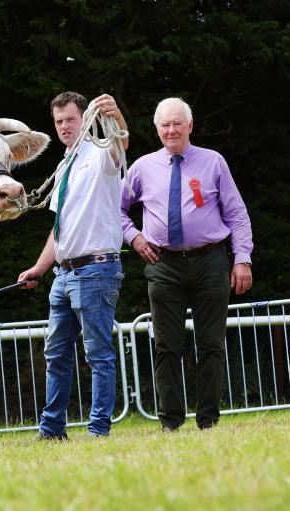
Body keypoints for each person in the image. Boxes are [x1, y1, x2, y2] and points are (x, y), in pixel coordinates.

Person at [121, 97, 253, 431]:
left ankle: (208, 420)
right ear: (157, 129)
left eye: (177, 123)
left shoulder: (214, 162)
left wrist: (242, 259)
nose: (171, 130)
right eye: (165, 125)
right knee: (167, 345)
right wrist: (135, 238)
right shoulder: (142, 167)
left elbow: (237, 214)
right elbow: (115, 208)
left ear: (190, 126)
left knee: (211, 343)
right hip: (163, 264)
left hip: (210, 260)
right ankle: (170, 421)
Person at [18, 91, 129, 439]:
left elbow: (120, 145)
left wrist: (116, 117)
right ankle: (51, 430)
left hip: (96, 269)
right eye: (58, 121)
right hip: (63, 274)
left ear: (85, 119)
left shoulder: (101, 154)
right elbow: (60, 228)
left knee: (98, 354)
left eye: (70, 119)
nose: (64, 126)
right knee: (56, 354)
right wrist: (39, 267)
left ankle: (98, 430)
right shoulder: (65, 163)